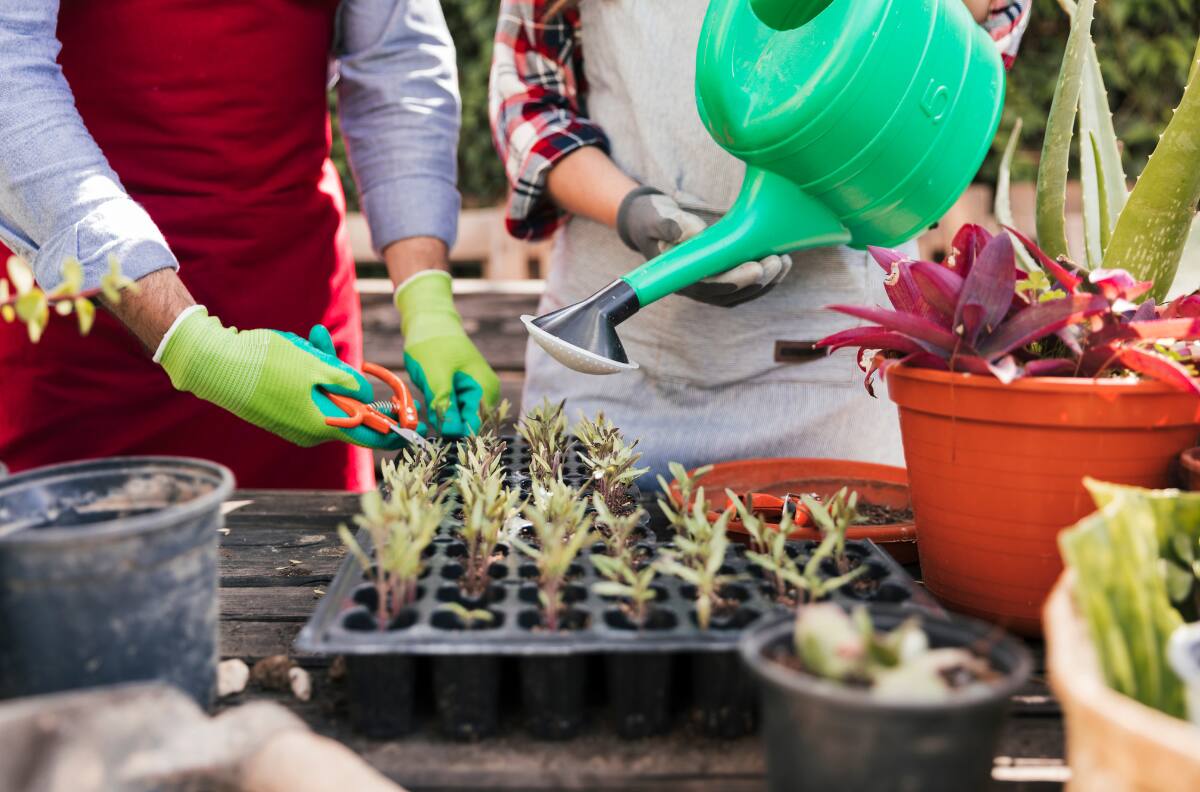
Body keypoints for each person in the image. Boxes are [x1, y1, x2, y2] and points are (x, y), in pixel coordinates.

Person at [490, 0, 1031, 479]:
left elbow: (961, 51)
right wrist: (631, 210)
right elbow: (531, 106)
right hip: (612, 389)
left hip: (823, 390)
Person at [0, 0, 499, 490]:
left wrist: (426, 302)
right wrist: (193, 347)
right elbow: (9, 69)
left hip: (299, 317)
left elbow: (397, 63)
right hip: (87, 344)